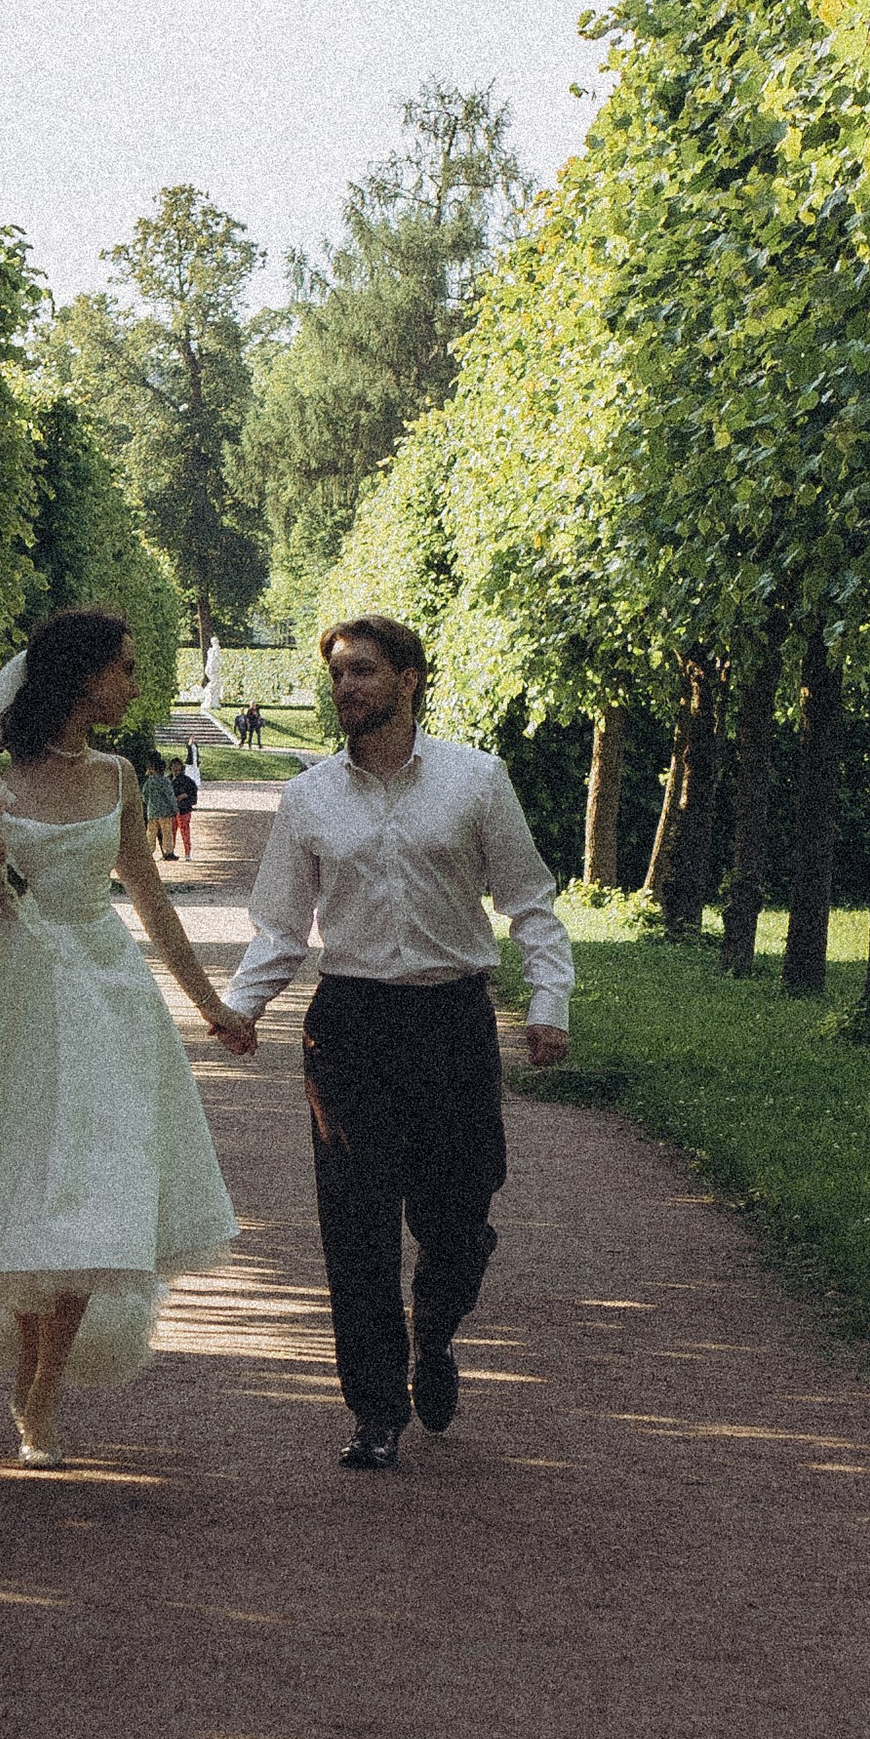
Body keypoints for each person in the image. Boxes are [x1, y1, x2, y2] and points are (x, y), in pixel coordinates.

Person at [0, 609, 258, 1466]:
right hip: (22, 997)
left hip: (110, 998)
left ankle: (41, 1393)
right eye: (125, 667)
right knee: (29, 1190)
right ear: (81, 677)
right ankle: (29, 1375)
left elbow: (152, 904)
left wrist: (209, 1004)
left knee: (93, 1189)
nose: (136, 683)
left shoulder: (119, 777)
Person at [219, 614, 574, 1472]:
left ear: (409, 679)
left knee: (459, 1216)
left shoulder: (476, 781)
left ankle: (437, 1330)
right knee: (357, 1227)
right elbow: (279, 927)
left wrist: (548, 1001)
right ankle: (374, 1411)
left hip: (451, 1022)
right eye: (339, 676)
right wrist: (243, 1006)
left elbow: (529, 901)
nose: (347, 689)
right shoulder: (308, 798)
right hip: (349, 1029)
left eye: (365, 673)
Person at [139, 745, 181, 859]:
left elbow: (144, 796)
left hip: (152, 811)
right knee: (167, 832)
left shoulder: (149, 781)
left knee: (151, 833)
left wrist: (149, 804)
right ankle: (168, 852)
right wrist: (175, 808)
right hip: (165, 812)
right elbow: (170, 796)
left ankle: (148, 852)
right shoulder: (165, 781)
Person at [171, 747, 201, 859]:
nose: (175, 768)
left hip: (184, 810)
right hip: (171, 811)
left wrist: (185, 796)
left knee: (185, 832)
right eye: (173, 766)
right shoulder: (168, 780)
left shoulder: (187, 781)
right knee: (171, 832)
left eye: (177, 766)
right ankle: (170, 851)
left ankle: (187, 852)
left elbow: (193, 795)